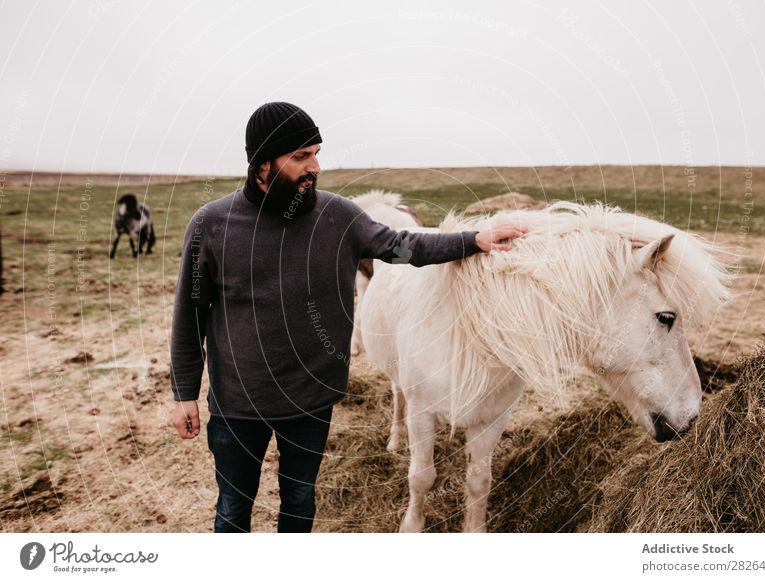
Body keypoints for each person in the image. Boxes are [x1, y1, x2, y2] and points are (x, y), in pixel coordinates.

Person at [169, 101, 527, 533]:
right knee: (233, 509)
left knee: (299, 505)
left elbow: (404, 247)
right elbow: (189, 313)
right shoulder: (211, 225)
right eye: (300, 156)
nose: (314, 166)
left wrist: (474, 240)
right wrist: (184, 391)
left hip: (310, 400)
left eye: (316, 153)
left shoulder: (337, 216)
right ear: (262, 163)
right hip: (237, 403)